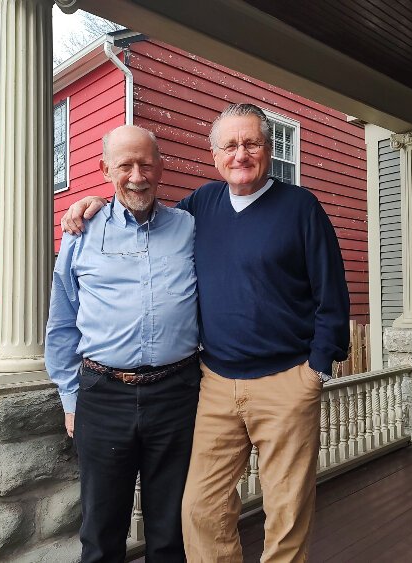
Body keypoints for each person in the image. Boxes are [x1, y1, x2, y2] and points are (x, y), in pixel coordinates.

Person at [61, 103, 350, 562]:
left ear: (269, 150)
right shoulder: (200, 208)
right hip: (214, 383)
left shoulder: (300, 207)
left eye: (251, 143)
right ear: (214, 155)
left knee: (286, 510)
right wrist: (93, 203)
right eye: (230, 145)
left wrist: (317, 369)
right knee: (198, 507)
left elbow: (333, 293)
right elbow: (142, 212)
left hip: (285, 382)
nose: (241, 154)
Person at [46, 125, 200, 563]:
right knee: (100, 530)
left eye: (146, 164)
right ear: (104, 169)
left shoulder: (188, 227)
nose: (137, 175)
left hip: (176, 393)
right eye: (124, 165)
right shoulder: (81, 232)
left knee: (170, 530)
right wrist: (69, 397)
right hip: (103, 393)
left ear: (161, 167)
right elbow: (61, 322)